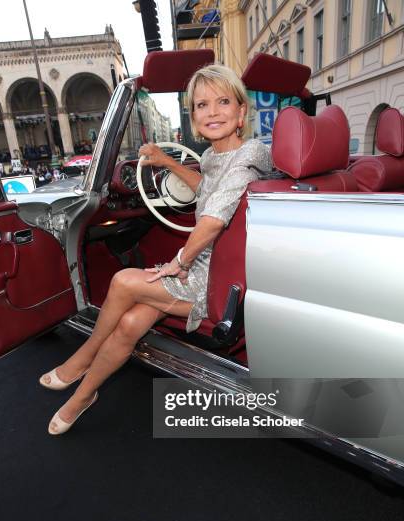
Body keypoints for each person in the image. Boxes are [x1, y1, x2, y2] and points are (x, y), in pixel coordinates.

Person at [41, 63, 271, 435]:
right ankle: (83, 396)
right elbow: (208, 188)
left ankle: (81, 360)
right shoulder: (216, 156)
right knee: (130, 323)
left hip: (215, 281)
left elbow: (212, 220)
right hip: (215, 267)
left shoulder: (249, 157)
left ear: (242, 111)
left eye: (223, 102)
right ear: (193, 117)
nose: (212, 112)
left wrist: (179, 262)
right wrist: (166, 162)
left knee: (122, 280)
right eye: (201, 105)